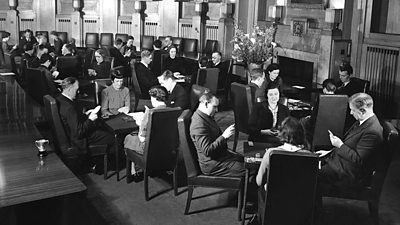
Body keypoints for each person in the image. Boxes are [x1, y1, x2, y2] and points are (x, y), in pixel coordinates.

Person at [317, 93, 383, 192]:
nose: (351, 113)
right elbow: (350, 144)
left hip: (349, 174)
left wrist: (339, 145)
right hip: (341, 163)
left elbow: (359, 159)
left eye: (352, 110)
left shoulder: (372, 131)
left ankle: (315, 206)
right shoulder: (362, 121)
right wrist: (329, 152)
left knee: (310, 175)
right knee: (308, 164)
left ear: (362, 110)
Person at [56, 77, 114, 170]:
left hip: (70, 134)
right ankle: (102, 165)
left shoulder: (60, 99)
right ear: (70, 89)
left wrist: (85, 115)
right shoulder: (69, 108)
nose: (78, 92)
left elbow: (72, 121)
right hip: (77, 139)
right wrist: (90, 119)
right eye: (77, 89)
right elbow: (79, 132)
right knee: (112, 136)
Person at [190, 92, 245, 177]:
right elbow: (207, 151)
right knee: (249, 169)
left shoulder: (205, 117)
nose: (217, 110)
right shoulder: (198, 124)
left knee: (249, 161)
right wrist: (224, 136)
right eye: (214, 107)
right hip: (213, 164)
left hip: (221, 157)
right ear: (206, 104)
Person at [124, 85, 169, 182]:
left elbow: (142, 138)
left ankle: (135, 171)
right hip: (167, 148)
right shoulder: (173, 110)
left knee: (128, 137)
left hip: (149, 150)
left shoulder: (150, 113)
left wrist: (141, 123)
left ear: (153, 98)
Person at [256, 116, 310, 188]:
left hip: (274, 196)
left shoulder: (270, 153)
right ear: (301, 134)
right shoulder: (309, 155)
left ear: (282, 133)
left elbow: (259, 181)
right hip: (300, 197)